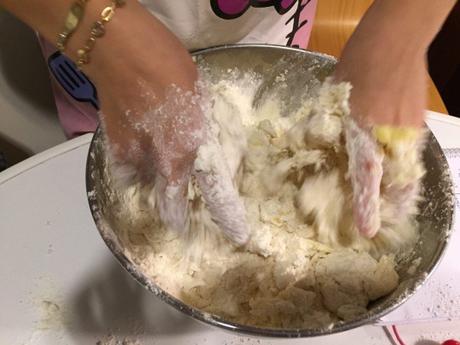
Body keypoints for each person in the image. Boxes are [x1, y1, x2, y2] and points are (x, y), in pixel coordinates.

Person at [0, 0, 457, 242]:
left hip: (265, 20)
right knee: (128, 181)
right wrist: (108, 43)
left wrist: (402, 31)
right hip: (92, 47)